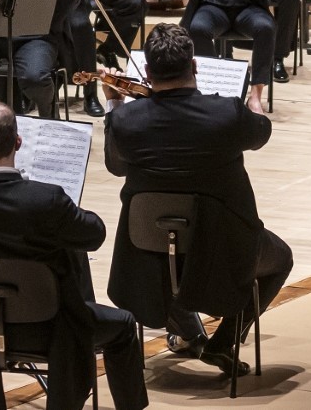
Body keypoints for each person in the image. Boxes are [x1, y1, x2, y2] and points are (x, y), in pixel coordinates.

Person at [102, 24, 293, 374]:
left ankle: (189, 333)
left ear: (147, 72)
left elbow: (116, 167)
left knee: (169, 251)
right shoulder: (226, 114)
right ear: (194, 68)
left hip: (148, 253)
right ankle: (220, 344)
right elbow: (261, 134)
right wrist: (253, 103)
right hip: (224, 251)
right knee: (280, 259)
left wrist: (115, 106)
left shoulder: (126, 120)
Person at [0, 101, 148, 410]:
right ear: (18, 142)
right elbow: (95, 234)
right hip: (50, 330)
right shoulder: (46, 199)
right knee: (124, 324)